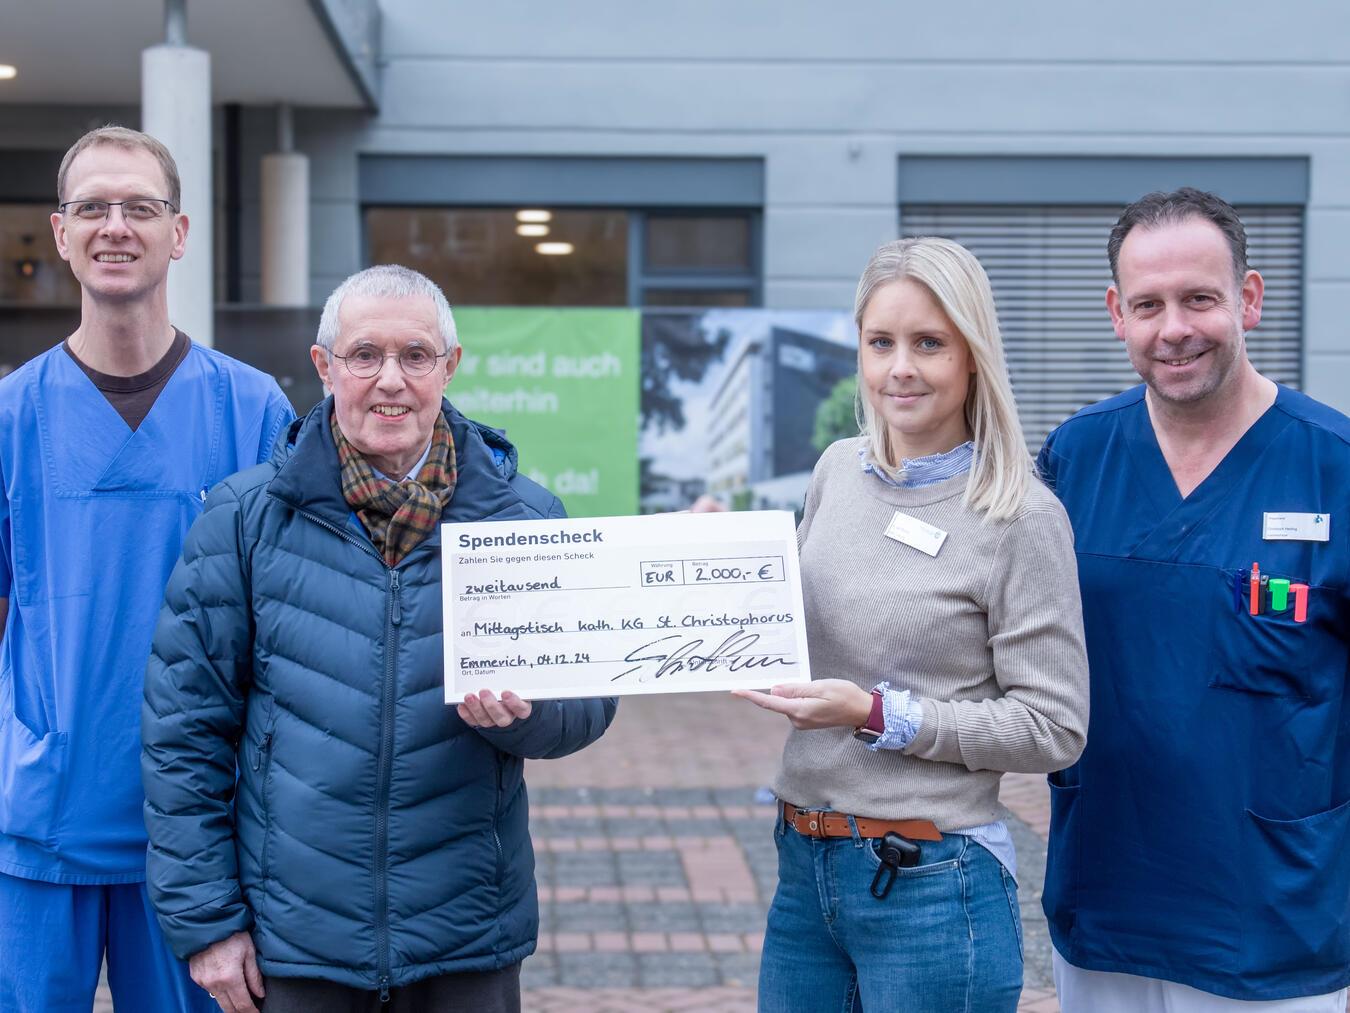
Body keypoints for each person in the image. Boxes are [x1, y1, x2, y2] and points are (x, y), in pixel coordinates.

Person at [141, 264, 617, 1013]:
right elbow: (183, 733)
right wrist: (208, 922)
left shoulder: (523, 521)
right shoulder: (244, 519)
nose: (390, 380)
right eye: (365, 355)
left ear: (449, 367)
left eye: (415, 355)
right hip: (298, 943)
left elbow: (587, 704)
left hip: (466, 937)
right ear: (325, 366)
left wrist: (525, 716)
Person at [735, 237, 1090, 1011]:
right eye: (881, 342)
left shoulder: (1021, 517)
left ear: (973, 356)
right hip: (804, 868)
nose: (900, 368)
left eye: (929, 343)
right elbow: (797, 623)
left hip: (934, 879)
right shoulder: (835, 470)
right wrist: (714, 562)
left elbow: (1053, 728)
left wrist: (878, 714)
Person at [0, 126, 294, 1012]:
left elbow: (290, 623)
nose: (115, 225)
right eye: (92, 207)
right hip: (40, 823)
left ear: (180, 232)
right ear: (61, 233)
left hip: (198, 835)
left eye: (140, 206)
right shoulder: (12, 415)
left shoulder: (251, 408)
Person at [1039, 188, 1350, 1011]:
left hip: (1276, 926)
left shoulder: (1335, 466)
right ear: (1117, 313)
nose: (1174, 328)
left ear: (1249, 297)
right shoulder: (1076, 457)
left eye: (1200, 298)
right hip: (1107, 910)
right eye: (1149, 304)